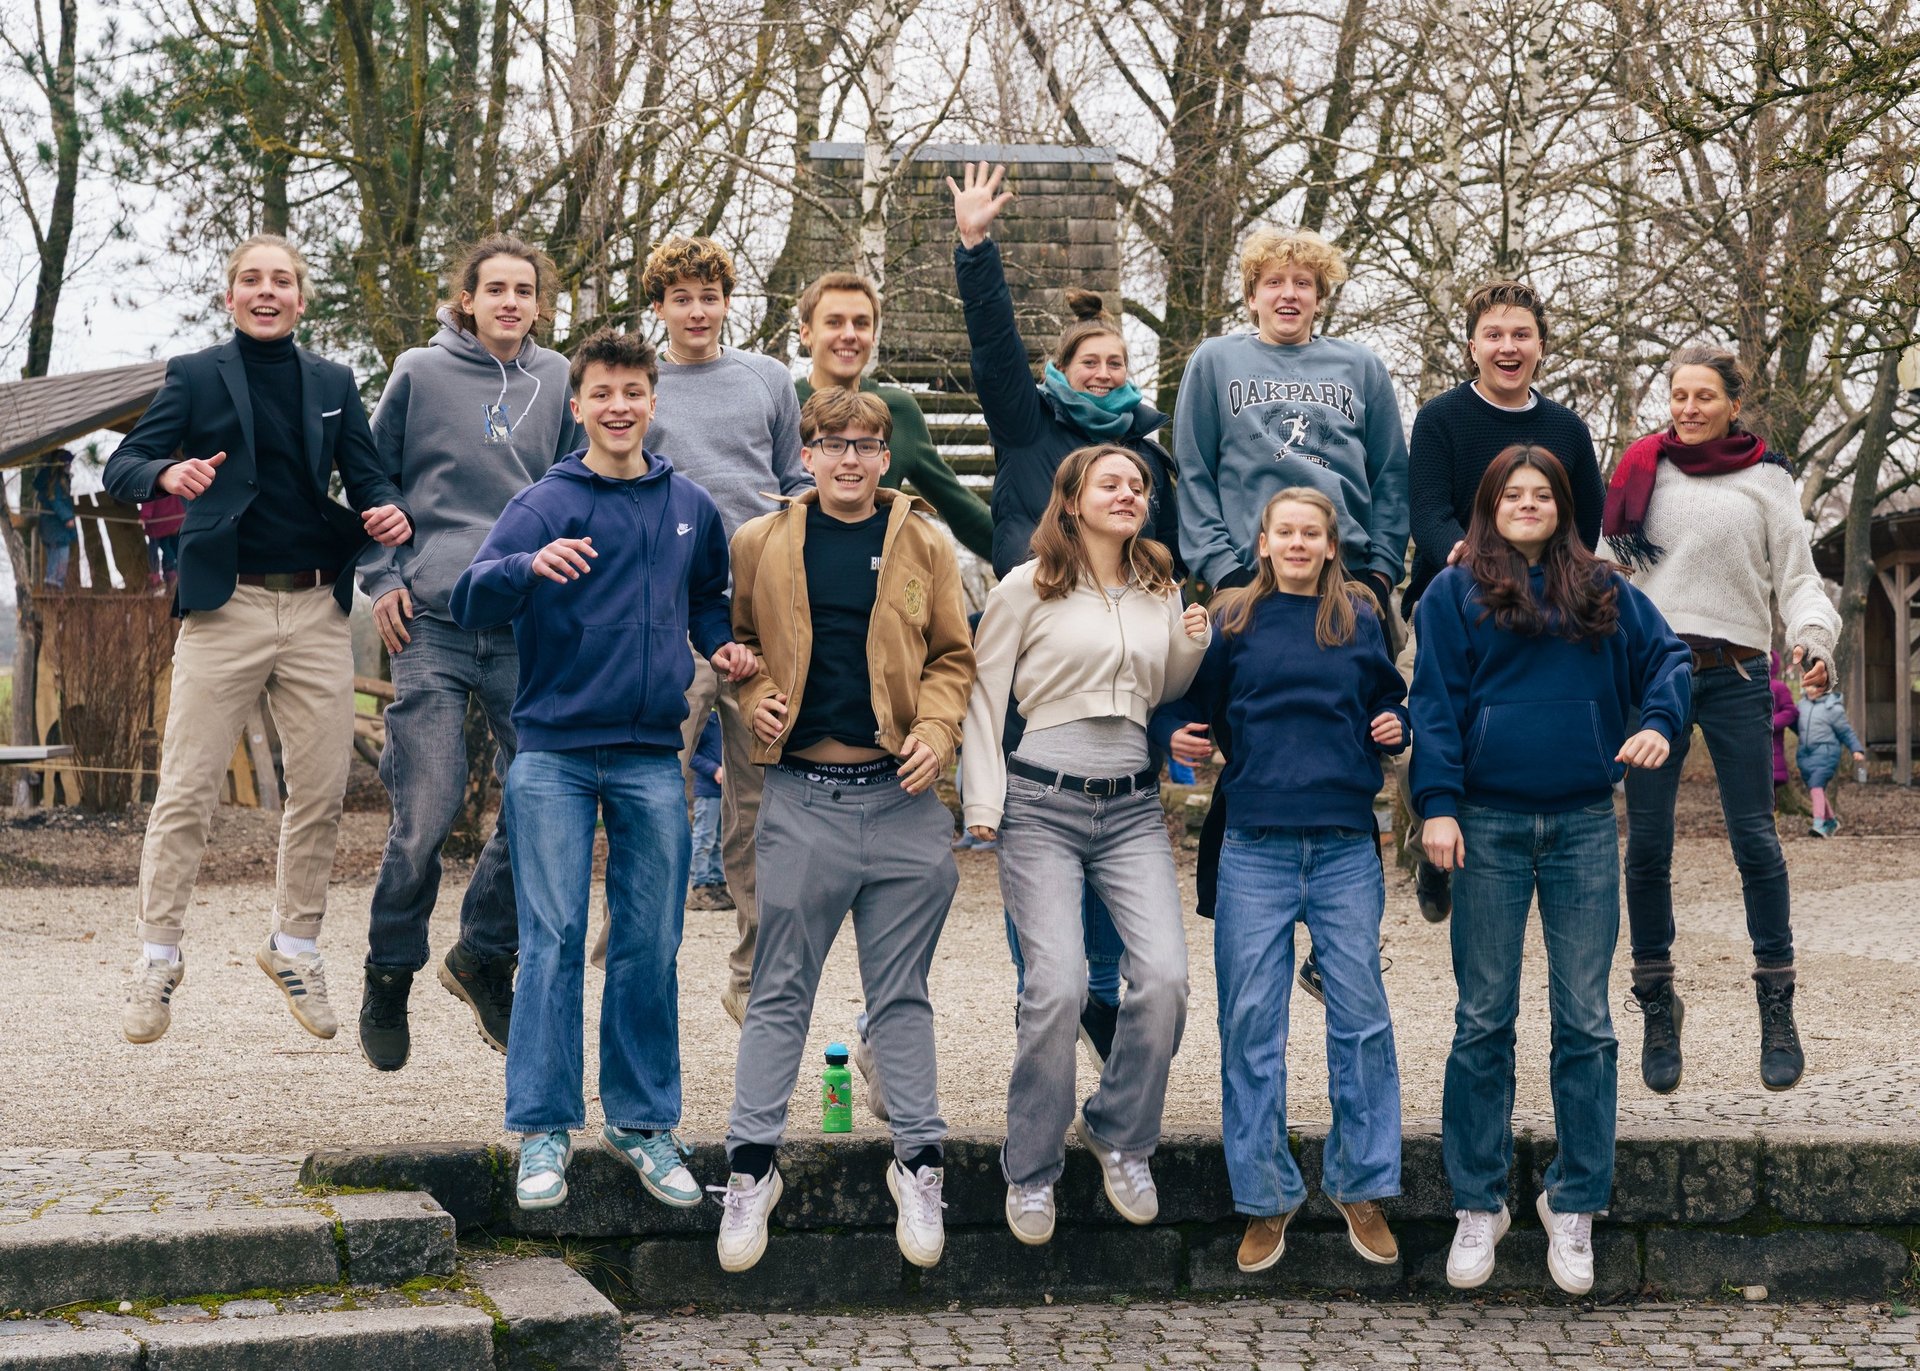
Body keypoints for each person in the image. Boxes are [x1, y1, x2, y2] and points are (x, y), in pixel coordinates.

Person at [449, 328, 756, 1211]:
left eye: (634, 391)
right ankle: (543, 1128)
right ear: (578, 404)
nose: (619, 406)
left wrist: (725, 647)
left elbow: (706, 599)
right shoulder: (546, 502)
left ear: (653, 402)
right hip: (553, 752)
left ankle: (642, 1122)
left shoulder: (690, 502)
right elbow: (472, 594)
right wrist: (524, 565)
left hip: (652, 754)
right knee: (548, 941)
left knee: (649, 943)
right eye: (602, 393)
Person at [104, 233, 413, 1045]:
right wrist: (166, 475)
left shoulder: (335, 383)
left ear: (301, 298)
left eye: (283, 280)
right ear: (231, 295)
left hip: (316, 610)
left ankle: (295, 944)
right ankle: (157, 957)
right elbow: (126, 461)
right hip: (224, 608)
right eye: (252, 279)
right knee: (188, 787)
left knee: (320, 789)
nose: (267, 290)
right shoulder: (195, 376)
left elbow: (369, 473)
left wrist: (385, 508)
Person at [1411, 444, 1690, 1297]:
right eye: (1511, 493)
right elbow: (1435, 704)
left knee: (1587, 1022)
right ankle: (1477, 1200)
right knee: (1482, 1018)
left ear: (1563, 506)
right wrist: (1439, 802)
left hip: (1580, 825)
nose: (1526, 503)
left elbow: (1670, 660)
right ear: (1489, 504)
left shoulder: (1603, 590)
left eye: (1542, 494)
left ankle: (1574, 1201)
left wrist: (1659, 722)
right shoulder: (1452, 594)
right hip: (1486, 824)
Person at [713, 388, 975, 1274]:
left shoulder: (926, 541)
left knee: (901, 995)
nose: (851, 459)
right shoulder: (761, 541)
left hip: (901, 802)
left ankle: (920, 1162)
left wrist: (937, 734)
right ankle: (750, 1170)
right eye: (833, 444)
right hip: (801, 800)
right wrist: (751, 695)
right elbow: (736, 647)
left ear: (886, 453)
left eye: (866, 444)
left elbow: (952, 658)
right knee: (778, 990)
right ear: (808, 452)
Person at [1152, 487, 1409, 1275]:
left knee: (1360, 1016)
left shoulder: (1361, 617)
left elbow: (1390, 702)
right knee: (1252, 1024)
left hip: (1342, 845)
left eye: (1312, 533)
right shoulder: (1231, 620)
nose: (1298, 543)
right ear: (1262, 541)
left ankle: (1361, 1183)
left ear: (1331, 545)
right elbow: (1183, 705)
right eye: (1284, 531)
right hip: (1255, 843)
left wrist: (1396, 725)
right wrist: (1177, 739)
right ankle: (1266, 1196)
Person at [950, 160, 1172, 1067]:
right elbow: (995, 345)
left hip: (1117, 675)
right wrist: (975, 246)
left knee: (1118, 841)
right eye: (1092, 362)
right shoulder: (1028, 427)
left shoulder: (1144, 455)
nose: (1108, 372)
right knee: (1041, 856)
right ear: (1062, 371)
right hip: (1036, 661)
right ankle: (1045, 998)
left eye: (1120, 363)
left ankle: (1106, 1002)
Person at [962, 445, 1208, 1247]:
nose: (1130, 493)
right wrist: (984, 802)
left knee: (1165, 980)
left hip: (1133, 808)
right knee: (1057, 987)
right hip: (1041, 806)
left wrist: (1192, 641)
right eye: (1111, 483)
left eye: (1138, 485)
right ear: (1070, 500)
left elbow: (1163, 689)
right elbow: (983, 696)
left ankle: (1119, 1133)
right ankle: (1031, 1167)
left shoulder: (1159, 586)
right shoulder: (1024, 585)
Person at [355, 235, 583, 1072]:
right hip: (433, 621)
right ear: (468, 297)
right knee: (430, 799)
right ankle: (389, 968)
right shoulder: (419, 371)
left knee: (546, 794)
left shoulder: (557, 380)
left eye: (525, 290)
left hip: (525, 623)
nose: (511, 302)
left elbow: (574, 485)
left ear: (539, 302)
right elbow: (370, 482)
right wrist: (381, 577)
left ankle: (485, 948)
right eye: (496, 289)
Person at [1606, 345, 1840, 1095]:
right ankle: (1656, 1002)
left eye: (1705, 395)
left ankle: (1777, 1004)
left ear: (1734, 403)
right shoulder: (1640, 472)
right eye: (1679, 394)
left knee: (1756, 840)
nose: (1689, 407)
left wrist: (1814, 639)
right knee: (1646, 845)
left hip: (1739, 673)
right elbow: (1607, 574)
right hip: (1655, 678)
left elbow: (1799, 580)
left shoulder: (1768, 481)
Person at [637, 234, 809, 1026]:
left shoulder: (767, 379)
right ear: (661, 305)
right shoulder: (639, 385)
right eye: (682, 297)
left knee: (755, 802)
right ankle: (641, 955)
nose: (697, 310)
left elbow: (793, 481)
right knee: (650, 790)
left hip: (756, 616)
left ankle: (754, 969)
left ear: (726, 303)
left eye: (709, 296)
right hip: (666, 618)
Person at [1398, 280, 1606, 925]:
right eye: (1494, 335)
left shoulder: (1566, 429)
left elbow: (1585, 521)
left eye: (1521, 335)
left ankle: (1531, 852)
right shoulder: (1440, 419)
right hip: (1454, 600)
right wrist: (1467, 552)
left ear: (1540, 347)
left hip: (1544, 611)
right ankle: (1429, 850)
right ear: (1472, 348)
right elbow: (1426, 510)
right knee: (1429, 734)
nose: (1507, 347)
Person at [1173, 226, 1407, 615]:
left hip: (1349, 579)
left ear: (1319, 299)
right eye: (1273, 282)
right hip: (1247, 579)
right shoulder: (1214, 360)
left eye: (1302, 283)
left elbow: (1392, 477)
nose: (1289, 293)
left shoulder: (1361, 365)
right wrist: (1223, 572)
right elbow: (1195, 474)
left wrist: (1380, 576)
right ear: (1252, 297)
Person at [792, 270, 994, 562]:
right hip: (792, 587)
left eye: (861, 324)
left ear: (873, 336)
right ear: (806, 332)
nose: (849, 334)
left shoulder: (897, 411)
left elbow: (960, 510)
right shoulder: (781, 403)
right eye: (834, 322)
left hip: (874, 587)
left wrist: (1040, 561)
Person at [1796, 678, 1865, 838]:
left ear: (1824, 688)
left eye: (1815, 687)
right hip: (1805, 754)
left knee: (1816, 785)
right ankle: (1831, 821)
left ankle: (1818, 824)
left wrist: (1856, 749)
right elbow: (1798, 726)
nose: (1811, 690)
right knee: (1815, 788)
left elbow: (1845, 731)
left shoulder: (1833, 708)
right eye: (1808, 687)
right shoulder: (1802, 705)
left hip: (1826, 752)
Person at [686, 711, 731, 908]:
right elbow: (690, 753)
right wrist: (714, 769)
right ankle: (699, 886)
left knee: (719, 839)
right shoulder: (707, 721)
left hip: (726, 791)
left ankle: (717, 883)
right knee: (704, 837)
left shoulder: (727, 719)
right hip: (708, 790)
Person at [31, 450, 77, 588]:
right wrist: (67, 518)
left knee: (56, 558)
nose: (70, 465)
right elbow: (56, 501)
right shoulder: (54, 481)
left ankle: (54, 587)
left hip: (54, 527)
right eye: (68, 462)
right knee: (60, 558)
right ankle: (54, 589)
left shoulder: (59, 479)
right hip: (55, 527)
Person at [139, 493, 185, 592]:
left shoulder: (153, 484)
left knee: (163, 548)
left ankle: (162, 576)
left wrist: (144, 517)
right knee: (174, 547)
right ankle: (172, 573)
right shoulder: (173, 479)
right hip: (175, 520)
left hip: (159, 523)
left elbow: (149, 500)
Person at [1769, 652, 1797, 806]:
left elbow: (1790, 712)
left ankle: (1772, 826)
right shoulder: (1745, 687)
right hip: (1747, 748)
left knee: (1770, 795)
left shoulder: (1779, 688)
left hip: (1773, 747)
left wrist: (1770, 724)